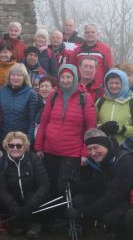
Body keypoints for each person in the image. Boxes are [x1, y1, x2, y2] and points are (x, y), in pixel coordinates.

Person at [65, 129, 133, 240]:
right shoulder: (106, 159)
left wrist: (82, 213)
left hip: (132, 202)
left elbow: (113, 197)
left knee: (111, 217)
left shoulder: (125, 162)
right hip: (117, 198)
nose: (93, 153)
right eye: (89, 149)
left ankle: (128, 239)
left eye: (96, 147)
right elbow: (99, 186)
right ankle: (106, 230)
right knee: (79, 199)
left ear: (106, 145)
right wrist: (76, 184)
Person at [34, 64, 97, 197]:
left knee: (63, 187)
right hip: (50, 150)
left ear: (75, 78)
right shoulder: (53, 96)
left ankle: (64, 210)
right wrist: (39, 147)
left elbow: (91, 128)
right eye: (62, 77)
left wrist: (85, 153)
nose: (65, 80)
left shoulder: (84, 97)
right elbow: (43, 123)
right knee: (48, 185)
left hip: (72, 152)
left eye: (68, 77)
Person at [0, 131, 50, 239]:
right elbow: (2, 188)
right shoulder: (2, 162)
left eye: (19, 145)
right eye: (11, 145)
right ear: (7, 147)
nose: (15, 148)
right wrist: (13, 206)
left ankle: (35, 223)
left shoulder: (33, 159)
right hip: (14, 198)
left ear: (25, 147)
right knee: (15, 230)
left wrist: (30, 205)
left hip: (32, 197)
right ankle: (20, 222)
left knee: (35, 198)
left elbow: (44, 185)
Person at [0, 63, 40, 144]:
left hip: (21, 140)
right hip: (2, 138)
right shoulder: (1, 92)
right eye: (13, 75)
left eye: (19, 75)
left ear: (24, 77)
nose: (15, 78)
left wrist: (29, 140)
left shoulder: (31, 93)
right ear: (9, 77)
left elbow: (32, 120)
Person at [96, 69, 133, 145]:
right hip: (103, 146)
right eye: (111, 83)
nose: (114, 86)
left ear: (124, 84)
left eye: (117, 83)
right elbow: (92, 124)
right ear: (106, 84)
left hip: (125, 147)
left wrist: (120, 129)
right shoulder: (100, 102)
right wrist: (102, 127)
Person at [70, 23, 113, 96]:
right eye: (87, 32)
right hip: (80, 87)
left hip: (98, 89)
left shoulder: (105, 49)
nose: (90, 34)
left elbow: (108, 69)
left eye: (93, 32)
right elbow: (72, 68)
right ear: (84, 34)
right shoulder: (77, 50)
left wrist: (106, 85)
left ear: (97, 34)